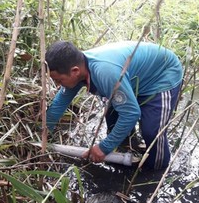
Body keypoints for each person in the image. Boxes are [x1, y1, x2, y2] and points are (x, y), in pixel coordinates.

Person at [45, 41, 183, 169]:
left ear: (75, 71)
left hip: (160, 77)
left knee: (151, 131)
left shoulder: (106, 72)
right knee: (112, 116)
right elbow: (60, 102)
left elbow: (131, 113)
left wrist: (103, 148)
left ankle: (156, 172)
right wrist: (44, 131)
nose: (58, 84)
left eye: (59, 80)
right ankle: (127, 146)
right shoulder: (78, 68)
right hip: (130, 79)